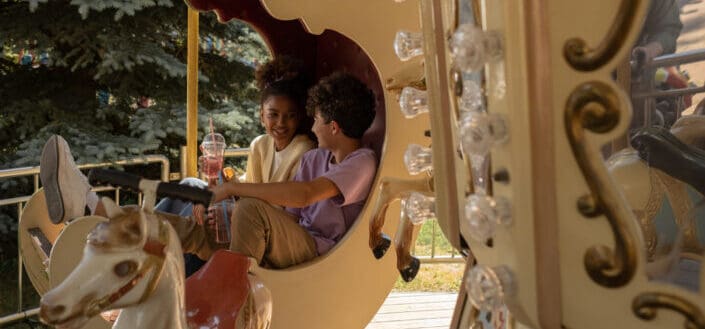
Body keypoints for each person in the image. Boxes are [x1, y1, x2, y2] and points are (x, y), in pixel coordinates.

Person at [39, 72, 377, 269]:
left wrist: (235, 192)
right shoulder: (314, 159)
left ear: (333, 126)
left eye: (316, 118)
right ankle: (90, 206)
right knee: (192, 229)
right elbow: (288, 214)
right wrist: (229, 210)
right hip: (282, 236)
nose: (311, 124)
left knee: (248, 208)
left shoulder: (360, 162)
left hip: (316, 251)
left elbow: (305, 196)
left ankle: (229, 292)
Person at [152, 55, 316, 274]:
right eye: (273, 115)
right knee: (191, 186)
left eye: (290, 116)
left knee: (202, 224)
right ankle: (142, 227)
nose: (281, 123)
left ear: (299, 118)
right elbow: (250, 192)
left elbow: (273, 210)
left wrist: (230, 206)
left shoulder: (304, 150)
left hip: (272, 232)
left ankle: (153, 250)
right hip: (248, 216)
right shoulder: (260, 145)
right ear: (261, 116)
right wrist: (223, 178)